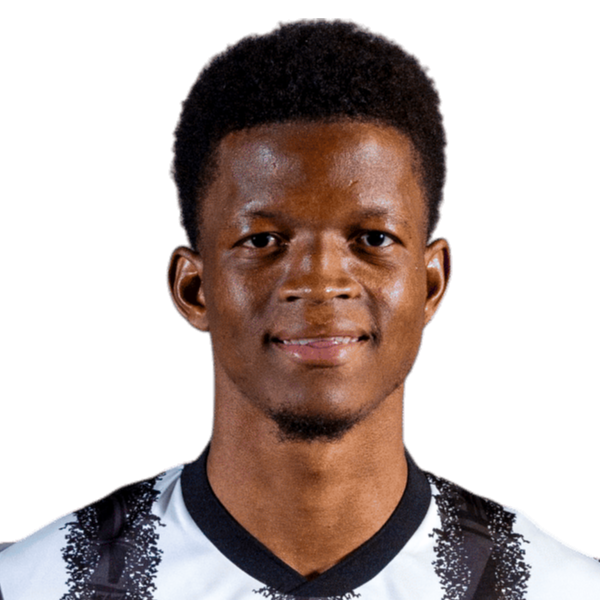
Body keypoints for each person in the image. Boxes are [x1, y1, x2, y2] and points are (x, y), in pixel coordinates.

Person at [1, 18, 598, 600]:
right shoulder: (37, 583)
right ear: (194, 288)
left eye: (372, 238)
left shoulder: (558, 587)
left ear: (431, 282)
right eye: (263, 240)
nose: (319, 282)